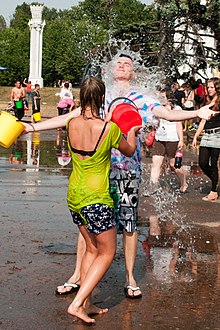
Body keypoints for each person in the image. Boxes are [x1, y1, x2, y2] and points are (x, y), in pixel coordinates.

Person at [22, 54, 218, 300]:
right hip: (101, 172)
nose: (122, 65)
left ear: (133, 72)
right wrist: (31, 126)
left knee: (128, 224)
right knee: (87, 226)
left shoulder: (141, 99)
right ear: (111, 70)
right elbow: (71, 117)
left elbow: (167, 115)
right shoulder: (103, 97)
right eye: (118, 62)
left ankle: (130, 277)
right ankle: (77, 276)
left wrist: (196, 112)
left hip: (128, 172)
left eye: (127, 63)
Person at [24, 77, 141, 324]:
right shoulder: (109, 129)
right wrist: (131, 131)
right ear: (101, 98)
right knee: (108, 252)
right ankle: (77, 304)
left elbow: (59, 121)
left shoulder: (71, 122)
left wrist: (30, 127)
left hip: (75, 196)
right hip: (97, 198)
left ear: (80, 98)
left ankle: (87, 302)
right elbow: (129, 150)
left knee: (91, 248)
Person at [150, 96, 188, 193]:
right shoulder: (157, 107)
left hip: (172, 139)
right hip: (159, 138)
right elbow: (155, 123)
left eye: (162, 95)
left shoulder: (177, 108)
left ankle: (183, 182)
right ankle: (153, 187)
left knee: (173, 164)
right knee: (156, 163)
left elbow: (179, 124)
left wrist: (181, 140)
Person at [192, 77, 220, 201]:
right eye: (208, 87)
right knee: (203, 163)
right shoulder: (207, 102)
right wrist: (196, 135)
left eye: (211, 87)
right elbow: (203, 120)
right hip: (206, 136)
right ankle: (217, 181)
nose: (208, 89)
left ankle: (214, 191)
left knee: (214, 164)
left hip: (217, 135)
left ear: (217, 88)